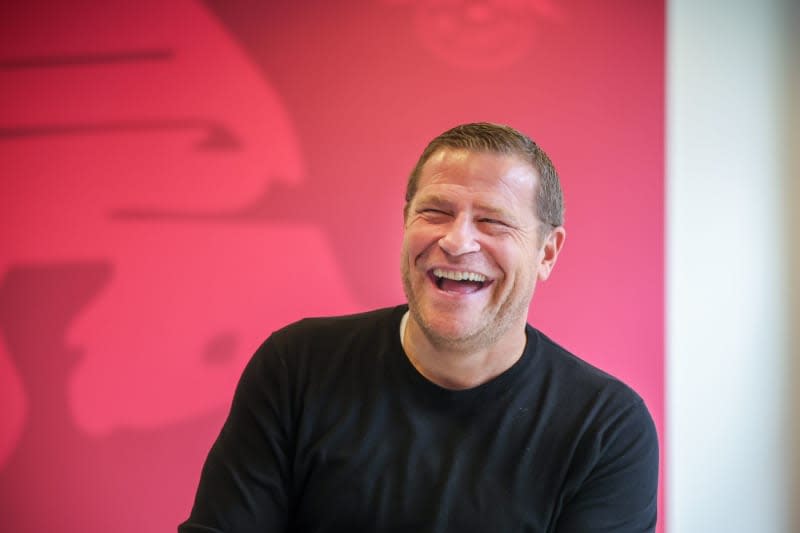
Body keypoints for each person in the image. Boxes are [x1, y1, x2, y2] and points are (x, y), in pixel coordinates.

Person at [178, 122, 659, 532]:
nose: (456, 240)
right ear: (406, 223)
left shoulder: (605, 428)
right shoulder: (296, 368)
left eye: (493, 221)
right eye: (435, 212)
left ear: (546, 253)